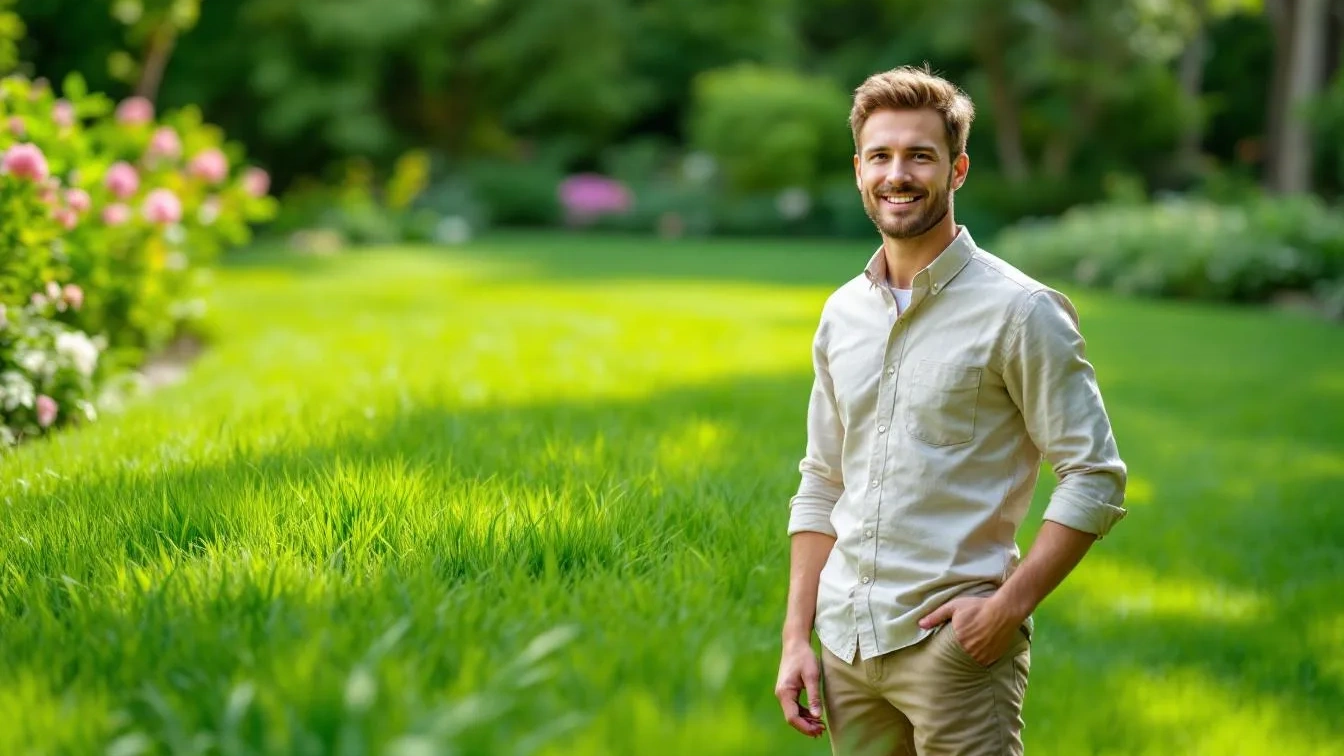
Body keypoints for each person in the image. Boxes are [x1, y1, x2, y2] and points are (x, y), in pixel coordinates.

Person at [773, 63, 1128, 755]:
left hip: (954, 651)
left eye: (920, 156)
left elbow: (1096, 476)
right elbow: (821, 481)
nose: (897, 174)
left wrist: (1006, 610)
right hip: (845, 645)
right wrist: (796, 637)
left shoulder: (1022, 311)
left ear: (957, 169)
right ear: (858, 170)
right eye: (880, 156)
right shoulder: (842, 313)